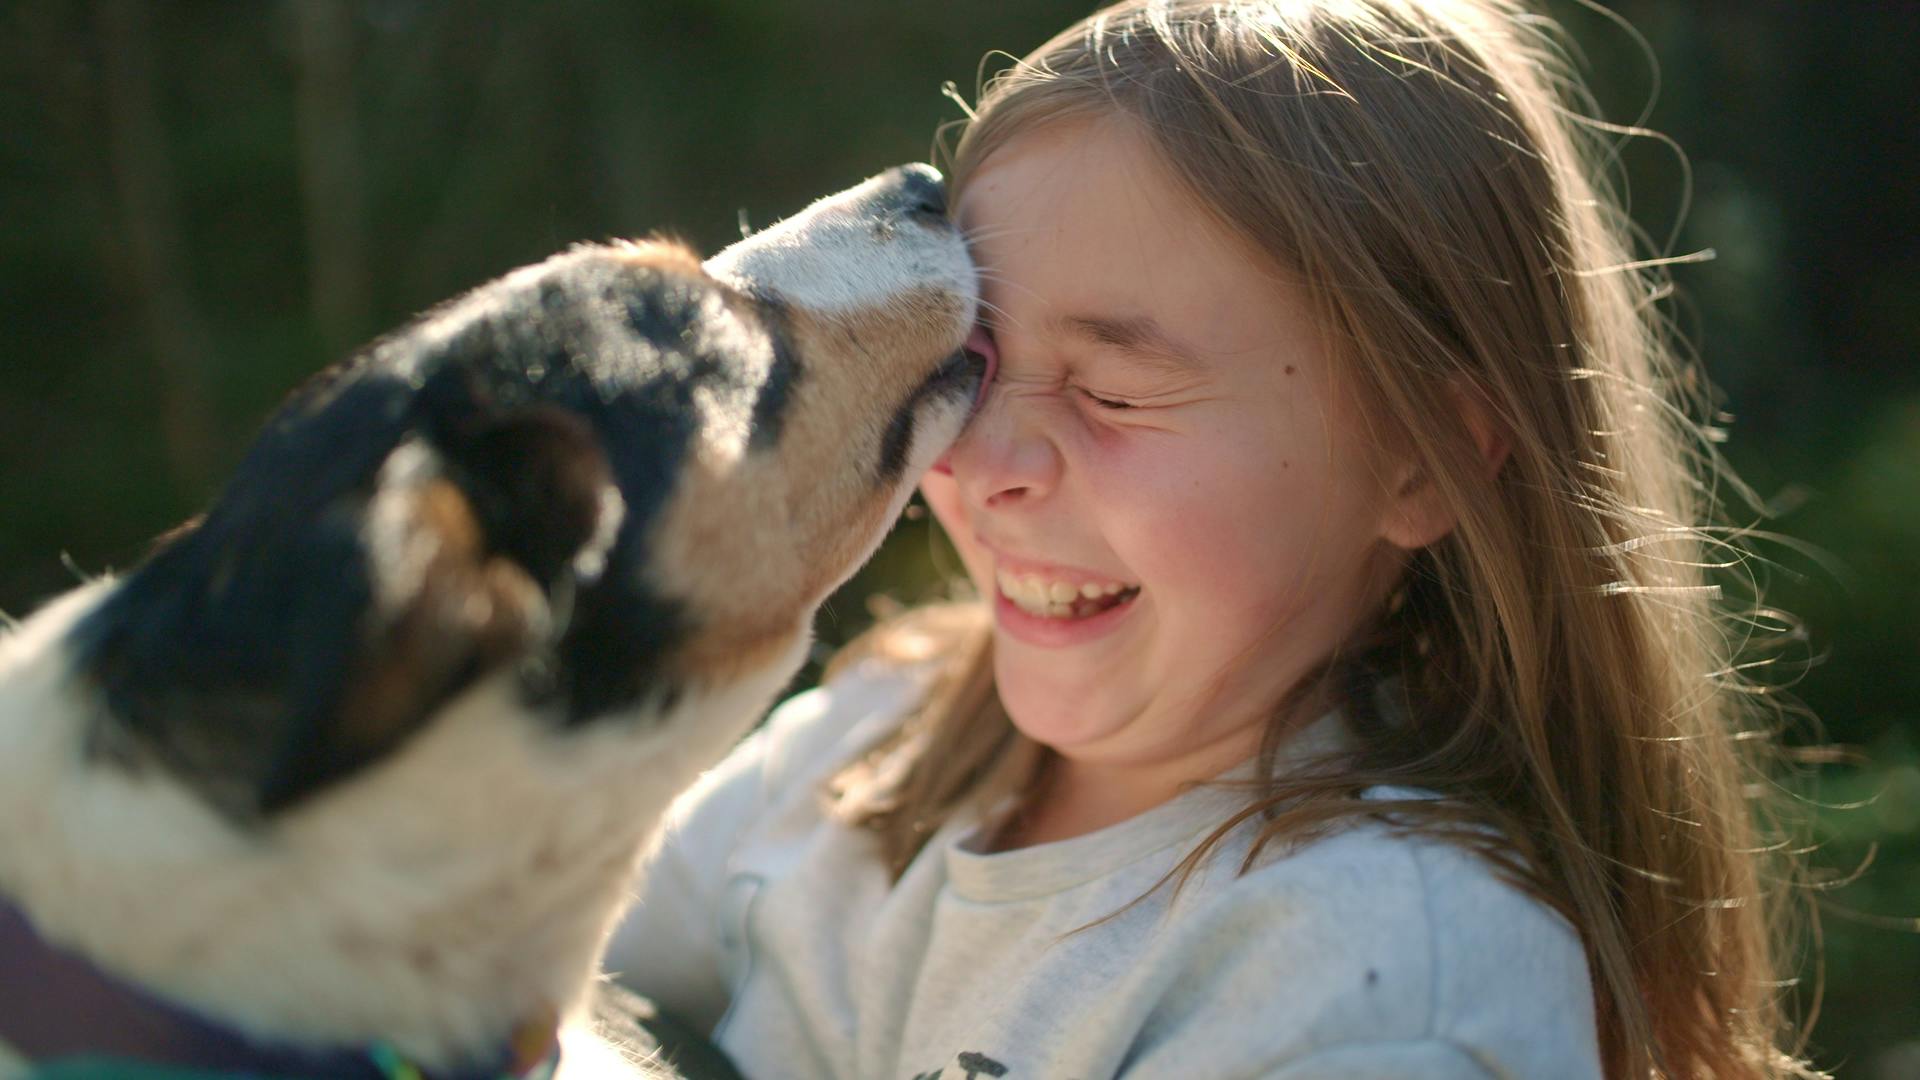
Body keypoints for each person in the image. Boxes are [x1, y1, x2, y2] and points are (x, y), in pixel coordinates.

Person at [605, 1, 1820, 1076]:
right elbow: (483, 973)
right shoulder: (873, 737)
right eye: (969, 368)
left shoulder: (1382, 980)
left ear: (1422, 455)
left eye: (1114, 393)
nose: (976, 463)